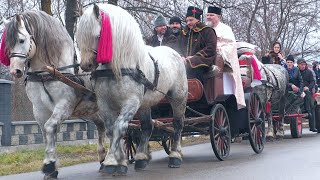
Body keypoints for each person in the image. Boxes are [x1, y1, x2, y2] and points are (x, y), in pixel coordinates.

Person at [205, 6, 246, 109]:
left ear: (219, 17)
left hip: (224, 65)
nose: (209, 17)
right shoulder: (205, 29)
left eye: (211, 15)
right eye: (207, 15)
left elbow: (231, 45)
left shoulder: (225, 29)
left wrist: (219, 49)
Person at [178, 6, 217, 82]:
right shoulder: (183, 33)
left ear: (197, 20)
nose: (189, 23)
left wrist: (194, 58)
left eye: (191, 20)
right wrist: (181, 56)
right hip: (183, 64)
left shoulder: (207, 31)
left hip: (202, 64)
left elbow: (211, 48)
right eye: (187, 21)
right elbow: (178, 47)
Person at [297, 58, 318, 132]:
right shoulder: (296, 71)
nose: (303, 66)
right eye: (301, 64)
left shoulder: (309, 72)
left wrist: (308, 87)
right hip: (297, 89)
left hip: (307, 91)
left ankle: (312, 125)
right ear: (298, 65)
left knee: (311, 105)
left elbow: (313, 82)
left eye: (304, 64)